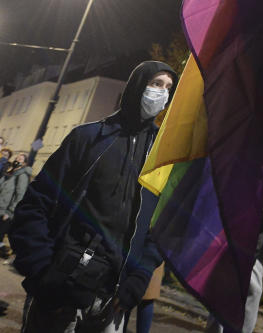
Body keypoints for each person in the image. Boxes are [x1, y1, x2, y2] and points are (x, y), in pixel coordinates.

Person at [11, 61, 177, 333]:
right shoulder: (88, 138)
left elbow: (160, 228)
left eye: (168, 88)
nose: (162, 93)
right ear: (137, 86)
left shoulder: (161, 156)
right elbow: (35, 204)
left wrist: (139, 277)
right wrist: (42, 271)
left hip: (113, 302)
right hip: (61, 293)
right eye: (156, 84)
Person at [0, 152, 32, 258]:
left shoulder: (22, 175)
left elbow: (20, 195)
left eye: (21, 159)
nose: (17, 160)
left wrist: (10, 212)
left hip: (5, 210)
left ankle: (5, 252)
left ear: (25, 164)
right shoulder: (10, 171)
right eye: (17, 158)